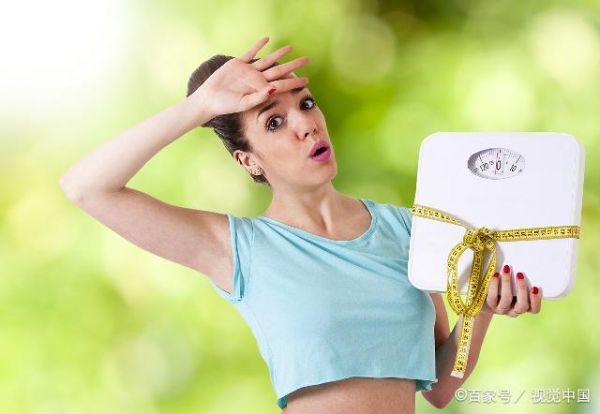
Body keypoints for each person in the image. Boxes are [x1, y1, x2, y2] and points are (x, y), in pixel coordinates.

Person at [59, 36, 543, 413]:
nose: (305, 124)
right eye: (273, 122)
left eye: (306, 103)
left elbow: (440, 388)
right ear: (249, 161)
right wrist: (200, 107)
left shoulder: (408, 231)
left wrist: (481, 310)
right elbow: (87, 188)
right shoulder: (240, 249)